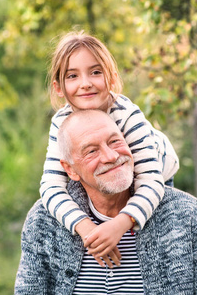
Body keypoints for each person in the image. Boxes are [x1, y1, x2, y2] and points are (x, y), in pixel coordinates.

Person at [15, 110, 197, 294]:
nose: (111, 156)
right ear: (70, 169)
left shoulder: (183, 211)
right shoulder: (43, 221)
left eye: (115, 141)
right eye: (91, 151)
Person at [40, 31, 179, 265]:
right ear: (59, 88)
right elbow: (51, 187)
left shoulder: (126, 114)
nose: (85, 84)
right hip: (103, 185)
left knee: (152, 240)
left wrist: (120, 224)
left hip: (155, 175)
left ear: (112, 78)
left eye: (96, 72)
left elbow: (151, 180)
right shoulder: (61, 123)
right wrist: (86, 228)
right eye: (72, 76)